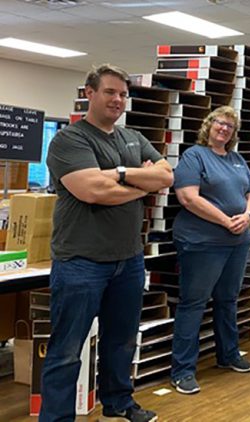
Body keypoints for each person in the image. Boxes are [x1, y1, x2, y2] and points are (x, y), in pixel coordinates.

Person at [42, 64, 173, 422]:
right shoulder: (70, 140)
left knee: (121, 341)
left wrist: (118, 175)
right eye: (110, 92)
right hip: (80, 262)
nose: (117, 100)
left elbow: (166, 176)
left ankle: (118, 403)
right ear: (90, 93)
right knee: (67, 350)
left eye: (123, 94)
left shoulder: (132, 137)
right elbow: (91, 190)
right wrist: (141, 184)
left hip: (128, 260)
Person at [169, 106, 250, 394]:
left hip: (237, 241)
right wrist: (224, 221)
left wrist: (248, 216)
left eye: (230, 126)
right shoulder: (194, 156)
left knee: (228, 299)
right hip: (202, 242)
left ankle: (228, 354)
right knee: (193, 303)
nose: (224, 129)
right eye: (220, 123)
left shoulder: (237, 159)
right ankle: (182, 370)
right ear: (209, 125)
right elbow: (187, 197)